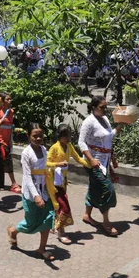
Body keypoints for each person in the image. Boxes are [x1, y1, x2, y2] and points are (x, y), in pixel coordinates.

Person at [6, 124, 56, 260]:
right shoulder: (26, 153)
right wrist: (36, 196)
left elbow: (46, 169)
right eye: (35, 136)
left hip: (44, 191)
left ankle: (42, 249)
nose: (38, 138)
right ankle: (13, 231)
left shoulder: (44, 149)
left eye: (40, 135)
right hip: (31, 194)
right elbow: (27, 177)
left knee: (48, 218)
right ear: (29, 136)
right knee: (30, 222)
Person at [78, 96, 124, 236]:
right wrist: (91, 159)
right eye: (102, 107)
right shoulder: (89, 122)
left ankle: (87, 215)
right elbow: (81, 142)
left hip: (105, 161)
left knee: (94, 187)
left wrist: (119, 127)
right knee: (107, 189)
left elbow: (108, 136)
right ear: (94, 107)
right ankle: (106, 222)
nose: (105, 109)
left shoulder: (104, 119)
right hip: (94, 162)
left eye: (106, 107)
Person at [47, 124, 89, 245]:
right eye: (66, 136)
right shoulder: (54, 148)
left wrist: (90, 164)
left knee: (57, 206)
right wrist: (58, 164)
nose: (68, 138)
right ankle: (61, 233)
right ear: (60, 136)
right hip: (53, 181)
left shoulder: (69, 146)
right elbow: (46, 163)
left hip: (63, 181)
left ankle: (54, 226)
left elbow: (77, 158)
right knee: (63, 206)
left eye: (69, 135)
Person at [0, 93, 21, 194]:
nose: (10, 101)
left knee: (1, 162)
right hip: (0, 141)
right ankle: (13, 183)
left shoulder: (11, 112)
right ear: (2, 101)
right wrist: (0, 140)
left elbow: (9, 126)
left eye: (10, 99)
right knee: (7, 161)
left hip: (8, 141)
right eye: (8, 99)